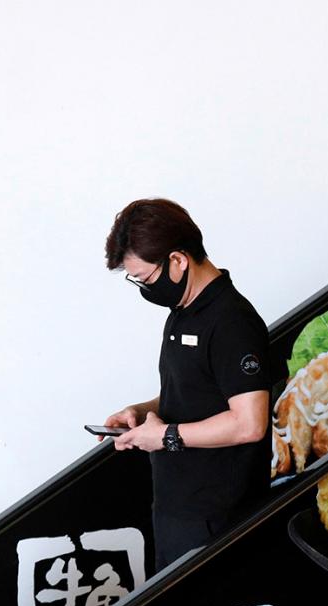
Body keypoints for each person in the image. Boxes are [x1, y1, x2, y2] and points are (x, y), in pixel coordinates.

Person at [102, 198, 270, 571]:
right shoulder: (182, 312)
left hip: (219, 521)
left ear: (177, 261)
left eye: (144, 278)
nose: (144, 288)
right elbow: (198, 391)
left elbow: (249, 423)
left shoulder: (231, 322)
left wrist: (165, 437)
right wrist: (143, 412)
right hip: (178, 512)